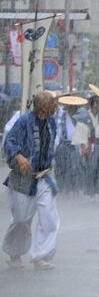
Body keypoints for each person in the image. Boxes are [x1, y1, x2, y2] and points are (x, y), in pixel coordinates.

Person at [3, 91, 60, 269]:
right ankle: (14, 253)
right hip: (23, 178)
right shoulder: (23, 121)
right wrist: (19, 157)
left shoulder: (51, 121)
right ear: (43, 107)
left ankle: (40, 256)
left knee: (49, 217)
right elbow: (9, 142)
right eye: (52, 104)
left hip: (45, 176)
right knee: (21, 220)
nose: (55, 106)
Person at [52, 95, 86, 196]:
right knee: (61, 168)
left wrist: (84, 145)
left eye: (73, 105)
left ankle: (75, 189)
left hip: (75, 146)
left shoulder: (81, 116)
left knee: (76, 168)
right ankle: (63, 189)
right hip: (63, 145)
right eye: (69, 105)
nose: (71, 107)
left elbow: (85, 131)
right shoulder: (61, 116)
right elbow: (57, 132)